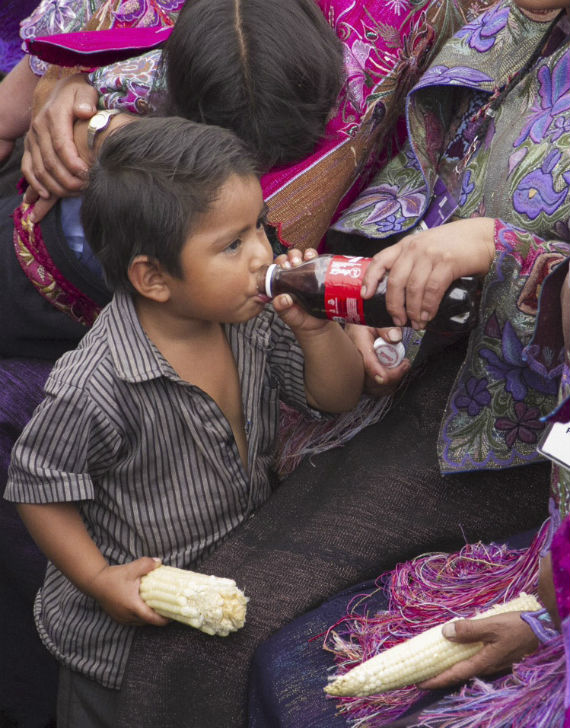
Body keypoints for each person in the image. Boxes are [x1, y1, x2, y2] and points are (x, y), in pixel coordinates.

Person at [3, 115, 364, 728]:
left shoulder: (253, 319)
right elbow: (38, 491)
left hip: (219, 599)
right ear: (152, 277)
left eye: (259, 229)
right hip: (114, 647)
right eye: (232, 244)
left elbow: (337, 398)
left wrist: (317, 329)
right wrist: (98, 578)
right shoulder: (96, 384)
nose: (261, 255)